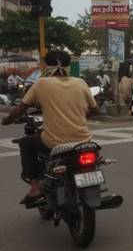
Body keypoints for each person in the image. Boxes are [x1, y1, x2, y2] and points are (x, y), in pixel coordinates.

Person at [2, 51, 99, 208]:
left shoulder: (42, 83)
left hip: (54, 142)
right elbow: (96, 111)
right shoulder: (81, 83)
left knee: (26, 143)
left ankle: (34, 188)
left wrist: (8, 120)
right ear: (68, 66)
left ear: (47, 67)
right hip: (83, 140)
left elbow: (20, 109)